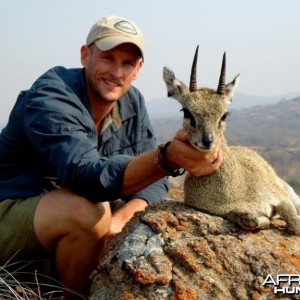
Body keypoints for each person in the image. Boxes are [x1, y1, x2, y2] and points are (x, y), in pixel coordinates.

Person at [0, 15, 222, 298]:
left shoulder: (132, 102)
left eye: (127, 63)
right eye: (108, 58)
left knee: (105, 217)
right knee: (87, 213)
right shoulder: (52, 95)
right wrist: (167, 160)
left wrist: (120, 222)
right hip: (9, 208)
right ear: (85, 55)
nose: (117, 72)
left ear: (138, 69)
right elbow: (85, 175)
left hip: (58, 227)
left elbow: (152, 183)